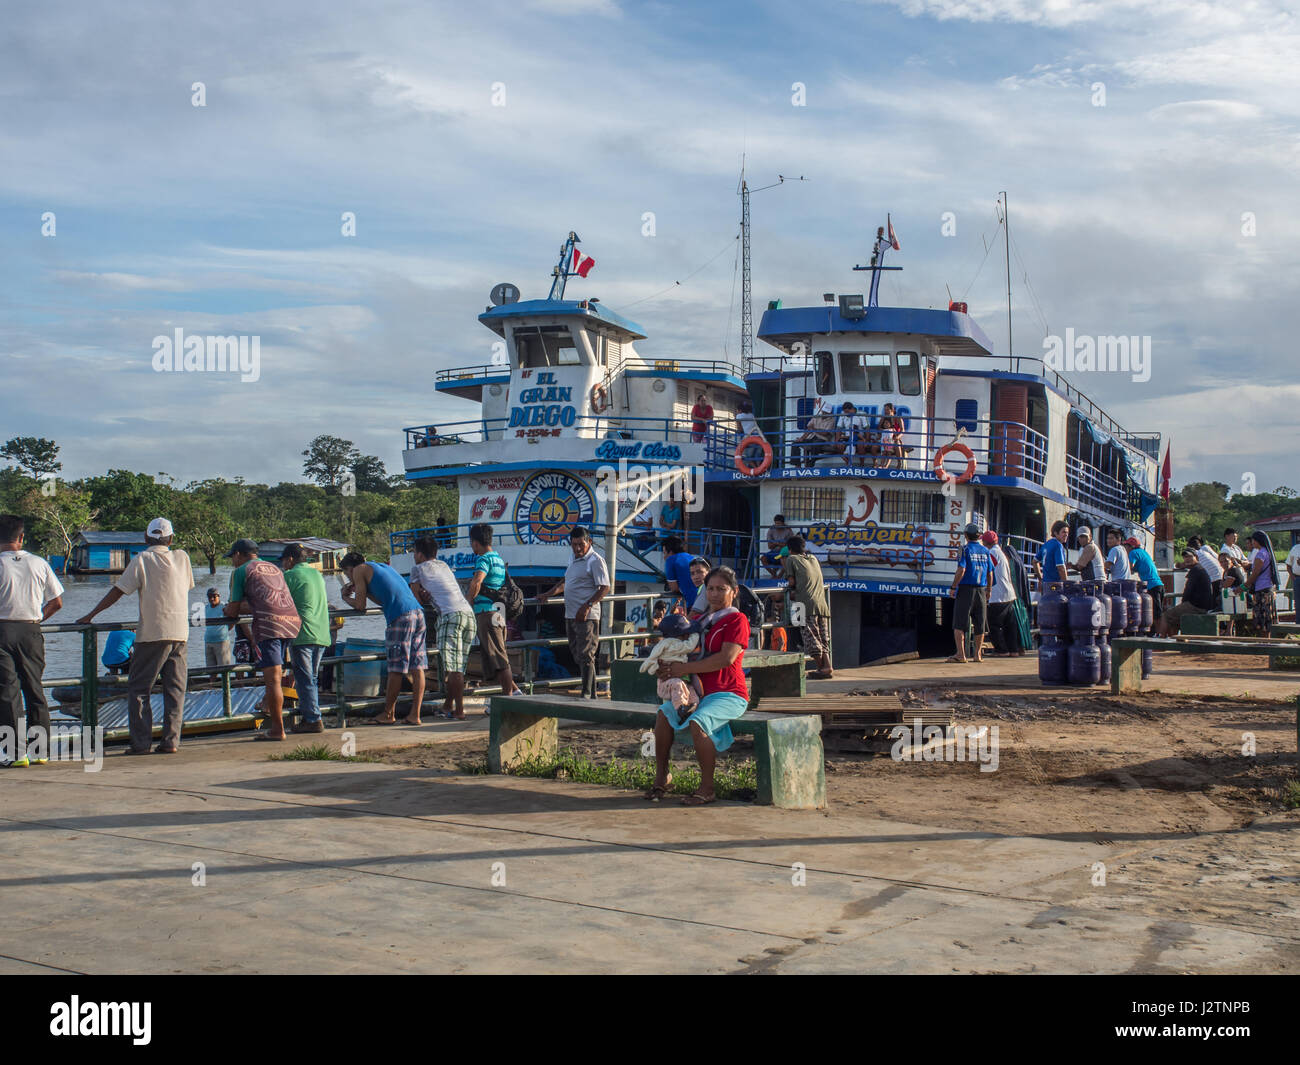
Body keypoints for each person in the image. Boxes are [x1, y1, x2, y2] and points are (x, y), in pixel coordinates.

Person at [78, 517, 193, 755]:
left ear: (145, 538)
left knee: (140, 689)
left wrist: (91, 614)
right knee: (175, 689)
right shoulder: (182, 558)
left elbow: (119, 591)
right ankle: (171, 741)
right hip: (180, 632)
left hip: (153, 633)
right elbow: (185, 587)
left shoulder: (142, 559)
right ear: (171, 539)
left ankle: (141, 744)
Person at [650, 566, 751, 806]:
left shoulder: (737, 620)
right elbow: (680, 651)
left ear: (734, 592)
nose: (714, 594)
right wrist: (666, 665)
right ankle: (662, 777)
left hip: (728, 693)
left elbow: (726, 659)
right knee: (663, 715)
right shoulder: (697, 621)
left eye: (721, 589)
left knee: (698, 721)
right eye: (710, 589)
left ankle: (707, 788)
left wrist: (683, 670)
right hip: (698, 692)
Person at [0, 515, 64, 767]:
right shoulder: (39, 563)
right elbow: (57, 602)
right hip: (31, 630)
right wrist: (38, 618)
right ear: (22, 537)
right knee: (34, 689)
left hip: (2, 631)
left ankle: (15, 753)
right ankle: (40, 751)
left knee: (7, 692)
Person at [222, 539, 301, 739]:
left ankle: (277, 729)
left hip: (270, 626)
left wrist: (227, 609)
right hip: (291, 622)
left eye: (232, 557)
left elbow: (232, 609)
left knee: (272, 680)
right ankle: (276, 718)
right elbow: (266, 601)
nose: (232, 561)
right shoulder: (274, 568)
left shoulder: (241, 571)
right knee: (279, 674)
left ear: (238, 555)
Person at [340, 550, 427, 725]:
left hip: (400, 617)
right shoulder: (380, 567)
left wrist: (344, 597)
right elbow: (385, 598)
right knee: (417, 667)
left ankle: (388, 713)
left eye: (346, 574)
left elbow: (360, 606)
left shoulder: (358, 570)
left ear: (349, 568)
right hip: (418, 613)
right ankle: (414, 715)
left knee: (395, 668)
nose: (349, 577)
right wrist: (360, 589)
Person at [539, 527, 611, 700]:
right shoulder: (573, 558)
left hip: (586, 616)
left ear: (589, 542)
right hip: (570, 614)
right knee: (577, 653)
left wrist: (587, 606)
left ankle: (587, 694)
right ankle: (590, 691)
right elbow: (566, 582)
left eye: (581, 544)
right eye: (574, 545)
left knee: (586, 654)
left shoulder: (595, 560)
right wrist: (548, 593)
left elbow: (605, 587)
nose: (578, 548)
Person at [409, 536, 475, 719]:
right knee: (459, 667)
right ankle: (448, 706)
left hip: (450, 616)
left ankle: (459, 710)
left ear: (420, 554)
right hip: (468, 614)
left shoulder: (417, 569)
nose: (414, 556)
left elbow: (415, 598)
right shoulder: (444, 566)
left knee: (453, 669)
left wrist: (423, 595)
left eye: (414, 552)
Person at [464, 524, 521, 700]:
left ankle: (508, 698)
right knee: (496, 657)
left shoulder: (484, 559)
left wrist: (469, 602)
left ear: (475, 543)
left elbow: (477, 581)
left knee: (499, 659)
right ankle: (515, 692)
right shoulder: (498, 559)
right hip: (498, 613)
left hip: (487, 614)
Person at [280, 544, 331, 734]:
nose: (283, 564)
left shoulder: (289, 576)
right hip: (321, 632)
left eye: (284, 560)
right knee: (312, 678)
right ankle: (312, 715)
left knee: (305, 679)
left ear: (290, 559)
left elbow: (277, 601)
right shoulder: (316, 574)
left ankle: (312, 719)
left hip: (302, 633)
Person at [783, 536, 833, 678]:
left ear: (790, 549)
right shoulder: (813, 559)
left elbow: (791, 582)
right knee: (823, 637)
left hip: (805, 604)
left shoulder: (791, 559)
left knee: (810, 638)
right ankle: (827, 666)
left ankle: (821, 668)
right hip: (821, 604)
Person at [949, 523, 993, 663]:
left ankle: (961, 654)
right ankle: (977, 655)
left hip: (966, 589)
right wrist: (989, 590)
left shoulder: (965, 549)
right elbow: (990, 573)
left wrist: (953, 586)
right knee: (980, 623)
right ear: (979, 536)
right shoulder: (985, 551)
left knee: (959, 623)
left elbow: (961, 570)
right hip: (981, 589)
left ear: (966, 535)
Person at [1156, 548, 1215, 635]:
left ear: (1196, 558)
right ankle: (1175, 641)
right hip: (1204, 606)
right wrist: (1182, 565)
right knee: (1174, 620)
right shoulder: (1198, 568)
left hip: (1196, 606)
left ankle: (1159, 641)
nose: (1187, 559)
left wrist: (1182, 604)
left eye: (1190, 556)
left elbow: (1187, 592)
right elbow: (1179, 565)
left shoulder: (1196, 571)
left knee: (1166, 615)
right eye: (1185, 557)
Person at [983, 531, 1021, 656]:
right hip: (1009, 593)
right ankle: (1013, 650)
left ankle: (1001, 650)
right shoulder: (1001, 553)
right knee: (1009, 625)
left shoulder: (991, 553)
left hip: (997, 594)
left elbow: (988, 570)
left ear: (984, 542)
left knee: (994, 624)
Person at [1246, 530, 1280, 637]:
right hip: (1268, 588)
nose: (1252, 543)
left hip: (1261, 589)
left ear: (1257, 541)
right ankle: (1267, 641)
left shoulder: (1261, 554)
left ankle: (1265, 642)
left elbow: (1255, 573)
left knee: (1262, 618)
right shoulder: (1267, 552)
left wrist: (1243, 586)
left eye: (1253, 541)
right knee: (1267, 618)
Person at [1123, 537, 1164, 620]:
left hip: (1151, 586)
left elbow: (1130, 567)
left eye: (1126, 546)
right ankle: (1158, 632)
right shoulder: (1143, 552)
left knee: (1155, 614)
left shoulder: (1133, 553)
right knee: (1157, 612)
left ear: (1131, 546)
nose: (1125, 549)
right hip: (1159, 585)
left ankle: (1159, 632)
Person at [661, 535, 697, 611]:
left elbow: (674, 588)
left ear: (670, 552)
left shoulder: (670, 560)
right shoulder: (691, 557)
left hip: (694, 603)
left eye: (664, 553)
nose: (664, 557)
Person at [204, 587, 234, 668]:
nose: (212, 598)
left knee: (224, 667)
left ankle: (225, 681)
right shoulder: (206, 608)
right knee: (210, 668)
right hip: (208, 641)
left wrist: (223, 632)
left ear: (219, 596)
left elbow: (232, 621)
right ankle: (211, 681)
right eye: (210, 596)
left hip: (221, 642)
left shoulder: (224, 607)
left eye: (214, 596)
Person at [875, 403, 906, 469]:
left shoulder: (898, 418)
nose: (885, 411)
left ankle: (899, 463)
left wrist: (897, 437)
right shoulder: (883, 418)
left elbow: (902, 430)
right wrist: (883, 430)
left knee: (896, 444)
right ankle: (876, 464)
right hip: (884, 438)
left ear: (892, 410)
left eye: (887, 409)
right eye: (885, 410)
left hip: (894, 438)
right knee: (874, 447)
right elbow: (878, 428)